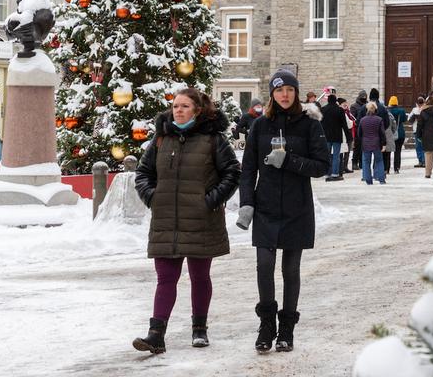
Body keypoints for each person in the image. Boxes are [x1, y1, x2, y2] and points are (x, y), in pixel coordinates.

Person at [132, 88, 241, 354]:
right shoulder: (161, 139)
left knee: (199, 276)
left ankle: (199, 328)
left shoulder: (213, 139)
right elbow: (143, 173)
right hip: (166, 218)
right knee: (165, 278)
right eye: (175, 106)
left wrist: (210, 200)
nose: (178, 110)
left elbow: (232, 172)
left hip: (201, 218)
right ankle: (156, 334)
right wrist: (153, 197)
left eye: (184, 106)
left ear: (198, 110)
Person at [237, 69, 328, 353]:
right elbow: (248, 168)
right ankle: (267, 324)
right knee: (264, 265)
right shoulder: (260, 125)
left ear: (296, 93)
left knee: (290, 268)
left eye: (289, 90)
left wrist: (289, 160)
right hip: (265, 206)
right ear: (272, 95)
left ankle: (287, 327)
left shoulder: (309, 125)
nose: (285, 95)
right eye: (279, 91)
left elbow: (322, 165)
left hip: (296, 206)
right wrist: (246, 203)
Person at [320, 91, 349, 182]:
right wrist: (349, 137)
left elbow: (320, 124)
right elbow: (344, 124)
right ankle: (335, 173)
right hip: (337, 136)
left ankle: (327, 172)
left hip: (326, 136)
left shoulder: (323, 109)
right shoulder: (340, 110)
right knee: (336, 155)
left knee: (327, 155)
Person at [358, 103, 387, 185]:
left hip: (365, 143)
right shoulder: (379, 119)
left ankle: (368, 180)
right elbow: (382, 133)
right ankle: (381, 179)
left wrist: (362, 141)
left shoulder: (362, 120)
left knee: (366, 162)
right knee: (379, 161)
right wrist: (384, 144)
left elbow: (359, 133)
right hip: (376, 143)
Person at [350, 90, 368, 170]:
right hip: (358, 128)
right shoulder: (354, 106)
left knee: (364, 147)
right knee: (357, 147)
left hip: (366, 128)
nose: (364, 98)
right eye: (362, 97)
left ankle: (362, 163)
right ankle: (354, 162)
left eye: (365, 97)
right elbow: (352, 117)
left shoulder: (368, 105)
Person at [388, 96, 407, 173]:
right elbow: (404, 120)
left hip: (390, 133)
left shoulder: (388, 111)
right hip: (400, 132)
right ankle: (397, 168)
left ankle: (387, 168)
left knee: (388, 152)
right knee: (398, 152)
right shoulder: (401, 111)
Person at [381, 98, 398, 176]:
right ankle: (386, 169)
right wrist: (391, 132)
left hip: (381, 137)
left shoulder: (377, 114)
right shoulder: (389, 115)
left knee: (381, 154)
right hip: (388, 135)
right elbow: (394, 126)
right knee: (388, 154)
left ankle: (381, 169)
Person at [408, 96, 426, 169]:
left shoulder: (426, 109)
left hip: (424, 130)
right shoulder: (414, 110)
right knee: (418, 146)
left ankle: (424, 161)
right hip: (417, 130)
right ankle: (420, 161)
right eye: (419, 103)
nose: (420, 105)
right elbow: (409, 119)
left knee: (423, 146)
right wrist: (415, 116)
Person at [339, 98, 355, 174]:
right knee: (342, 151)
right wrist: (352, 122)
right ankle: (341, 167)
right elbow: (348, 123)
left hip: (349, 134)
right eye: (343, 103)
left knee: (347, 151)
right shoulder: (341, 112)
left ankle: (345, 166)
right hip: (344, 133)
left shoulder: (348, 112)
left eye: (346, 102)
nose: (345, 104)